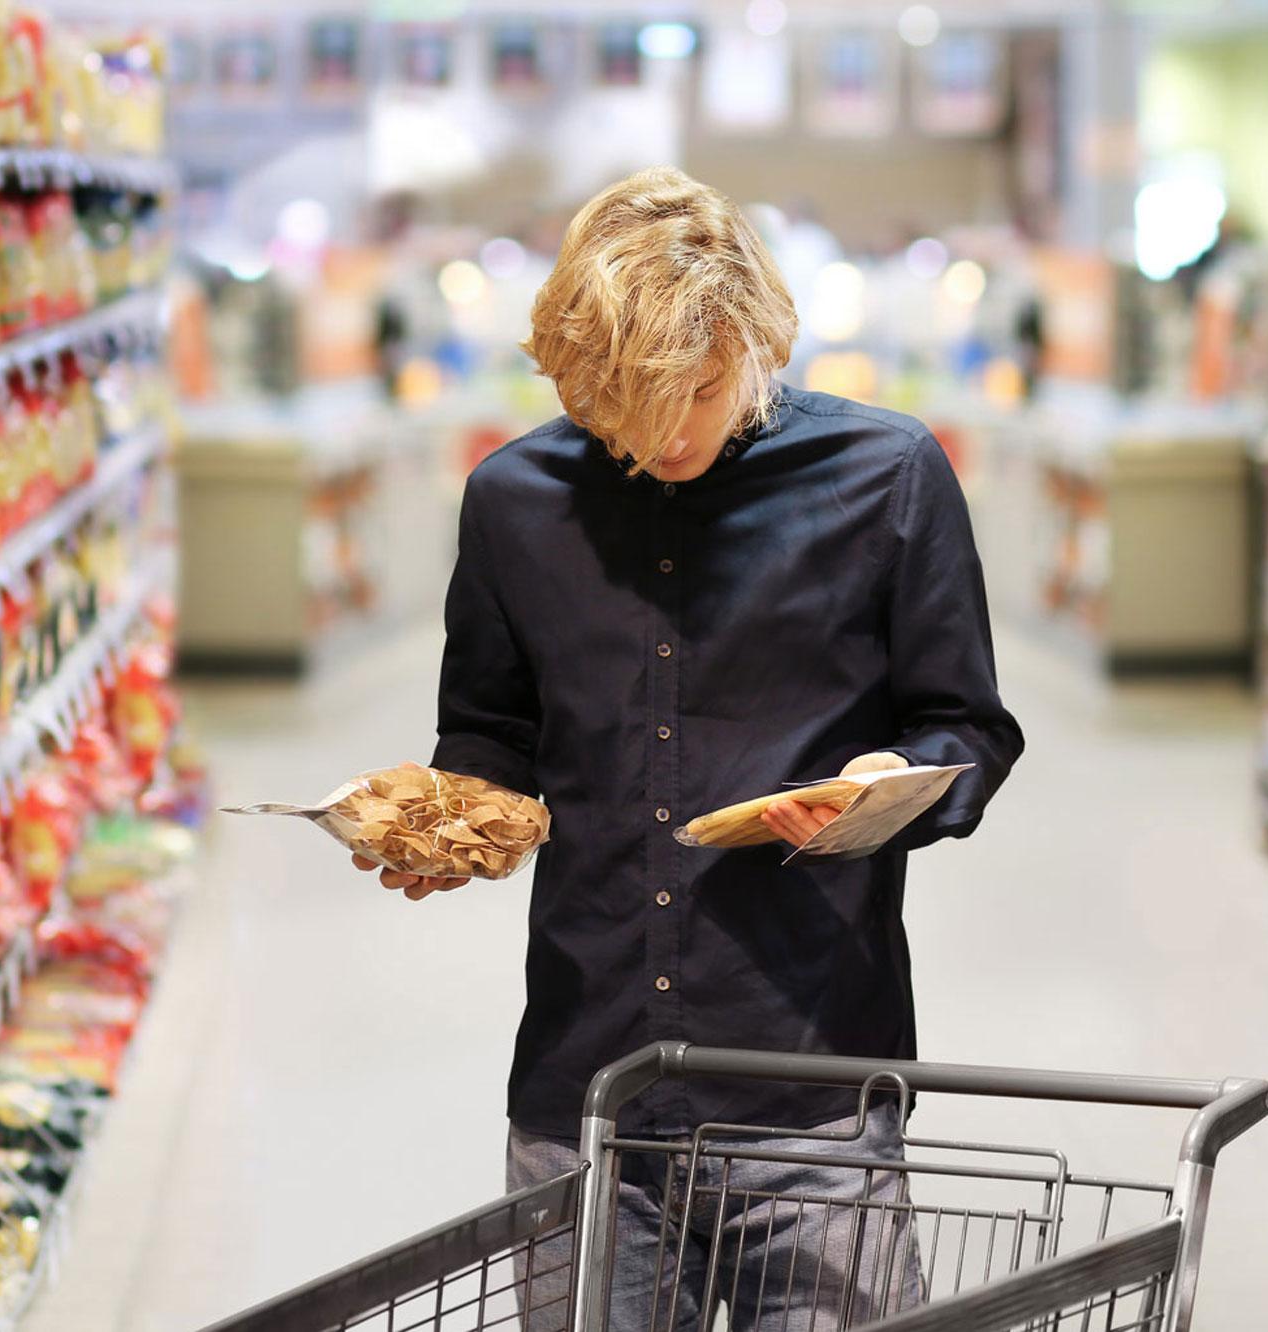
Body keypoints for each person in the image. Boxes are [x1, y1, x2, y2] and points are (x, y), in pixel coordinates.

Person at [351, 167, 1024, 1329]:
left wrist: (882, 787)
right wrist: (452, 825)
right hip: (586, 1095)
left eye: (699, 391)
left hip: (807, 1092)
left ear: (753, 340)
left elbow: (963, 723)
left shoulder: (886, 476)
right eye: (625, 402)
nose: (665, 432)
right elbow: (490, 733)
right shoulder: (513, 500)